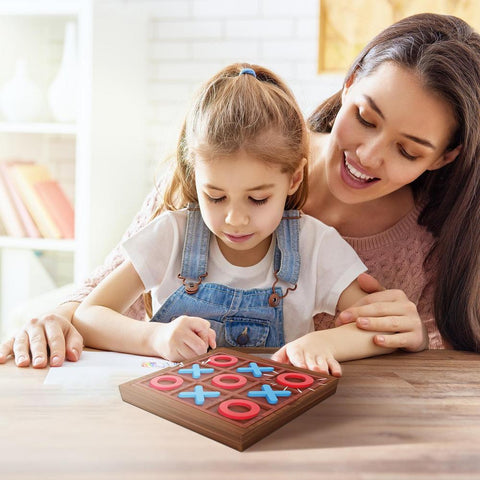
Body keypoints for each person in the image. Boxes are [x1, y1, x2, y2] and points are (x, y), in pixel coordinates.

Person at [1, 12, 479, 368]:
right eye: (365, 118)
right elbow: (97, 299)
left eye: (408, 151)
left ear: (444, 157)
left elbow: (434, 357)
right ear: (349, 84)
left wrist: (413, 339)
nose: (370, 155)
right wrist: (60, 318)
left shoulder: (427, 241)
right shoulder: (230, 157)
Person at [70, 63, 395, 376]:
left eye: (257, 199)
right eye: (215, 196)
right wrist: (155, 337)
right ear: (195, 176)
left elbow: (378, 328)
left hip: (275, 417)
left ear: (294, 179)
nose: (235, 219)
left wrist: (325, 342)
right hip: (174, 414)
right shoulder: (173, 235)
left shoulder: (314, 245)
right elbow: (89, 316)